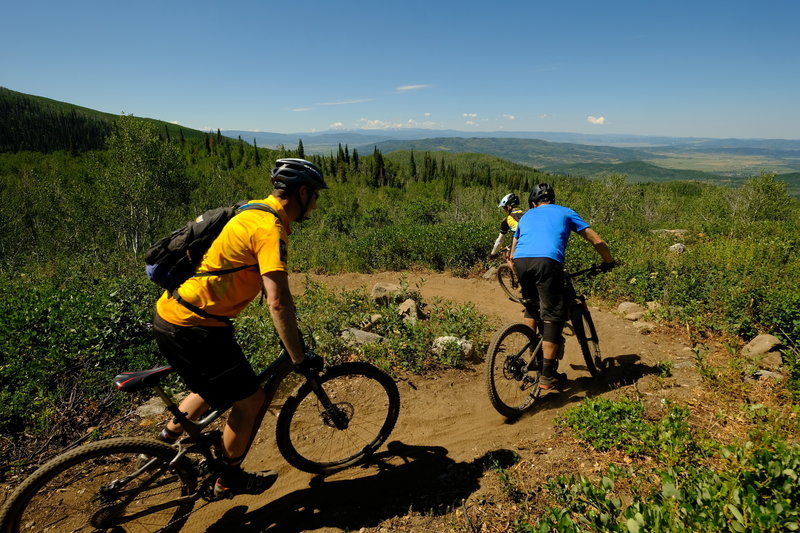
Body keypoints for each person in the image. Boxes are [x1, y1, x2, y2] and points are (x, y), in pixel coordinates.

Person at [151, 158, 327, 499]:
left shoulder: (251, 210)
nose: (316, 204)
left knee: (214, 383)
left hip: (173, 314)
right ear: (302, 192)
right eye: (316, 195)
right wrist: (298, 356)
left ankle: (163, 446)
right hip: (196, 326)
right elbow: (277, 302)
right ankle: (228, 480)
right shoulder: (269, 229)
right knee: (251, 401)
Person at [508, 183, 614, 390]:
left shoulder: (526, 216)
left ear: (533, 203)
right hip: (547, 262)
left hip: (521, 261)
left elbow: (512, 253)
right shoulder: (566, 212)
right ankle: (547, 375)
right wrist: (609, 261)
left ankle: (534, 357)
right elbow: (597, 241)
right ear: (552, 201)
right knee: (553, 316)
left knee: (531, 308)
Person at [489, 193, 524, 258]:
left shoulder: (507, 219)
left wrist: (493, 254)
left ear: (509, 207)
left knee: (509, 257)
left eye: (504, 207)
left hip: (524, 245)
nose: (504, 210)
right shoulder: (527, 214)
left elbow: (499, 241)